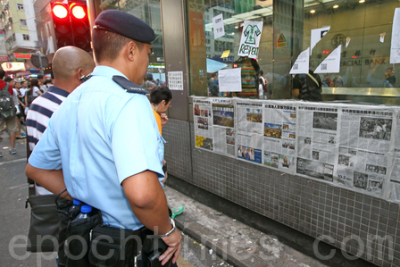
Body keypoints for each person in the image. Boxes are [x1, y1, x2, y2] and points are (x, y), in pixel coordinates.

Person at [25, 9, 182, 267]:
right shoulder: (129, 101)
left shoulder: (72, 99)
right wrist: (167, 231)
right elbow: (142, 196)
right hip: (128, 247)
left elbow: (37, 168)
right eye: (147, 53)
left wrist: (84, 197)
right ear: (131, 51)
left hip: (83, 241)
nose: (146, 61)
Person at [26, 46, 95, 195]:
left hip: (44, 196)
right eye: (92, 75)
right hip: (65, 199)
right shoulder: (67, 109)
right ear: (81, 74)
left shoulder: (38, 102)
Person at [150, 86, 184, 219]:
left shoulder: (147, 112)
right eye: (168, 104)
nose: (169, 107)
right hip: (153, 163)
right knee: (158, 187)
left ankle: (166, 211)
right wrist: (161, 163)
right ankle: (165, 216)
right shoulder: (154, 117)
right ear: (163, 102)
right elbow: (154, 144)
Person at [0, 68, 18, 156]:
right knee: (12, 129)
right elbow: (11, 97)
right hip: (9, 110)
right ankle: (12, 148)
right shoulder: (9, 86)